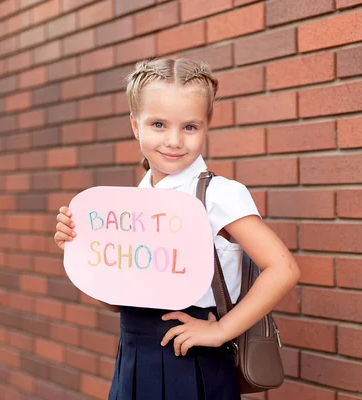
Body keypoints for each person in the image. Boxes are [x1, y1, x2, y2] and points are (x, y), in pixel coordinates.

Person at [54, 58, 300, 400]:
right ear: (135, 125)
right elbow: (116, 302)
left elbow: (283, 268)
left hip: (193, 358)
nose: (173, 140)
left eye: (189, 127)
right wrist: (81, 253)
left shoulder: (219, 194)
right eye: (158, 124)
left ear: (207, 126)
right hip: (134, 354)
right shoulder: (132, 203)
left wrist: (222, 331)